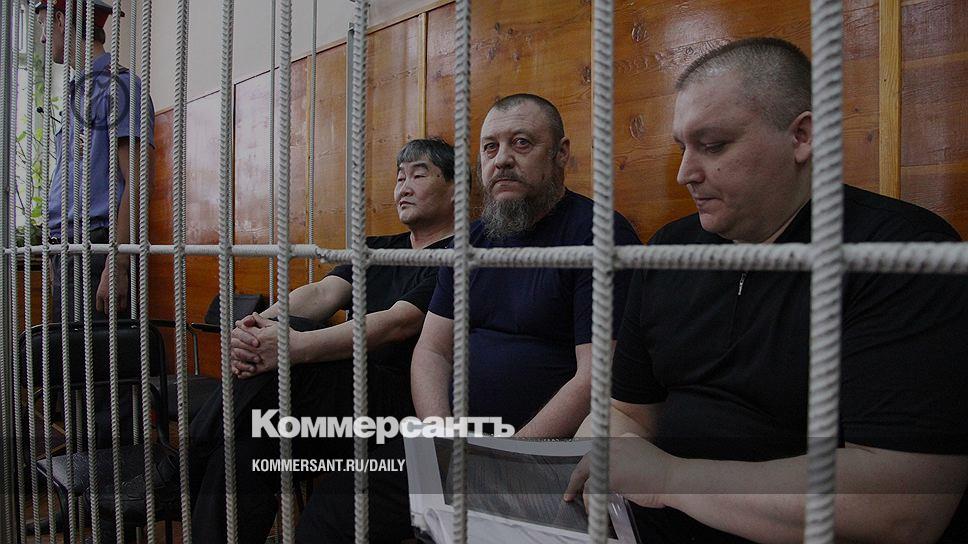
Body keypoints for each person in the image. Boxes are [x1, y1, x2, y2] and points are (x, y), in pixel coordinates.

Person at [563, 37, 968, 544]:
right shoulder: (669, 249)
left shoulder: (898, 253)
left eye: (713, 145)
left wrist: (670, 480)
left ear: (802, 136)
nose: (685, 173)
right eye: (682, 147)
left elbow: (902, 505)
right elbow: (627, 413)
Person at [296, 94, 642, 543]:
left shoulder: (597, 233)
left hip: (544, 454)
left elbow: (596, 373)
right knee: (333, 512)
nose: (502, 159)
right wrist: (442, 440)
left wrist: (508, 456)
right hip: (454, 445)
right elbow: (432, 351)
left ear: (560, 154)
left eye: (521, 143)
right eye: (490, 147)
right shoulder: (471, 241)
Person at [187, 138, 457, 544]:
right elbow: (321, 294)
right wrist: (256, 327)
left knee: (294, 344)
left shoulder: (458, 254)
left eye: (419, 175)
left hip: (399, 399)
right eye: (400, 177)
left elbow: (397, 323)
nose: (404, 187)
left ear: (455, 189)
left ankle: (189, 454)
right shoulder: (377, 248)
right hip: (339, 400)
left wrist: (290, 345)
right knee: (244, 452)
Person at [35, 0, 154, 323]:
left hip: (98, 248)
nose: (43, 38)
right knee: (69, 351)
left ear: (61, 21)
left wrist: (118, 262)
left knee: (96, 353)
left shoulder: (120, 87)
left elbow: (139, 180)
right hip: (69, 248)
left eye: (45, 25)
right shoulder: (79, 92)